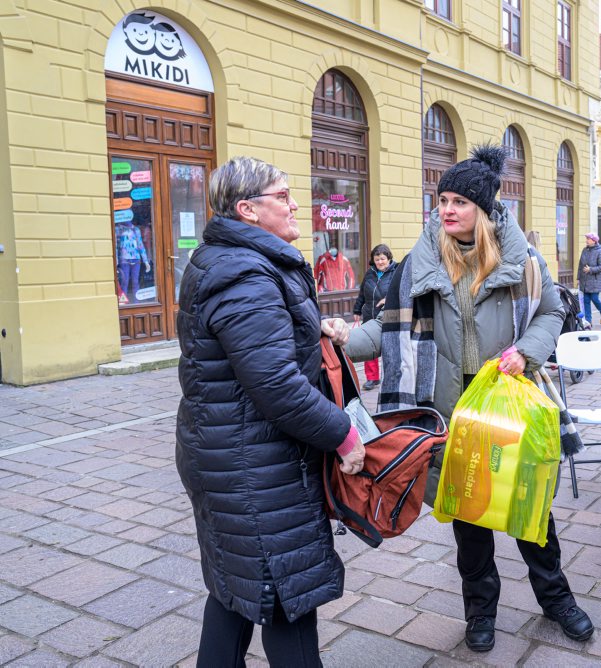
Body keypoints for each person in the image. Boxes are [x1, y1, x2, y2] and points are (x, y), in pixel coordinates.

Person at [325, 145, 594, 652]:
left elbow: (552, 312)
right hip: (450, 414)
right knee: (470, 524)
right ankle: (481, 614)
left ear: (485, 209)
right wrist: (345, 338)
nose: (447, 209)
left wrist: (526, 353)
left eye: (459, 201)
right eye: (443, 199)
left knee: (532, 514)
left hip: (510, 406)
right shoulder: (420, 261)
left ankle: (557, 601)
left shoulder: (523, 259)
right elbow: (386, 328)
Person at [175, 156, 366, 668]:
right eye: (282, 196)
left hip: (231, 455)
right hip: (255, 467)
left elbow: (258, 347)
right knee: (287, 595)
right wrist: (343, 435)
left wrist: (310, 328)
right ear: (248, 210)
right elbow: (276, 385)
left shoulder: (234, 262)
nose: (295, 203)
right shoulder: (245, 274)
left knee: (236, 591)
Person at [353, 244, 397, 390]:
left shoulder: (396, 271)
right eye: (377, 259)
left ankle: (391, 377)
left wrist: (389, 299)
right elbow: (362, 293)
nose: (380, 262)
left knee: (389, 347)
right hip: (369, 314)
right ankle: (372, 378)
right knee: (369, 346)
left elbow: (402, 291)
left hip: (388, 316)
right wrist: (357, 310)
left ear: (389, 258)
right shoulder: (370, 273)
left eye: (383, 259)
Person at [577, 232, 601, 326]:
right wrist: (578, 277)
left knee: (594, 298)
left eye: (588, 239)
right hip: (585, 280)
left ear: (594, 241)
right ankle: (588, 322)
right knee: (586, 301)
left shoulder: (600, 251)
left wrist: (591, 269)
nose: (586, 240)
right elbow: (580, 265)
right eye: (586, 238)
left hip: (595, 280)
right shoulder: (584, 250)